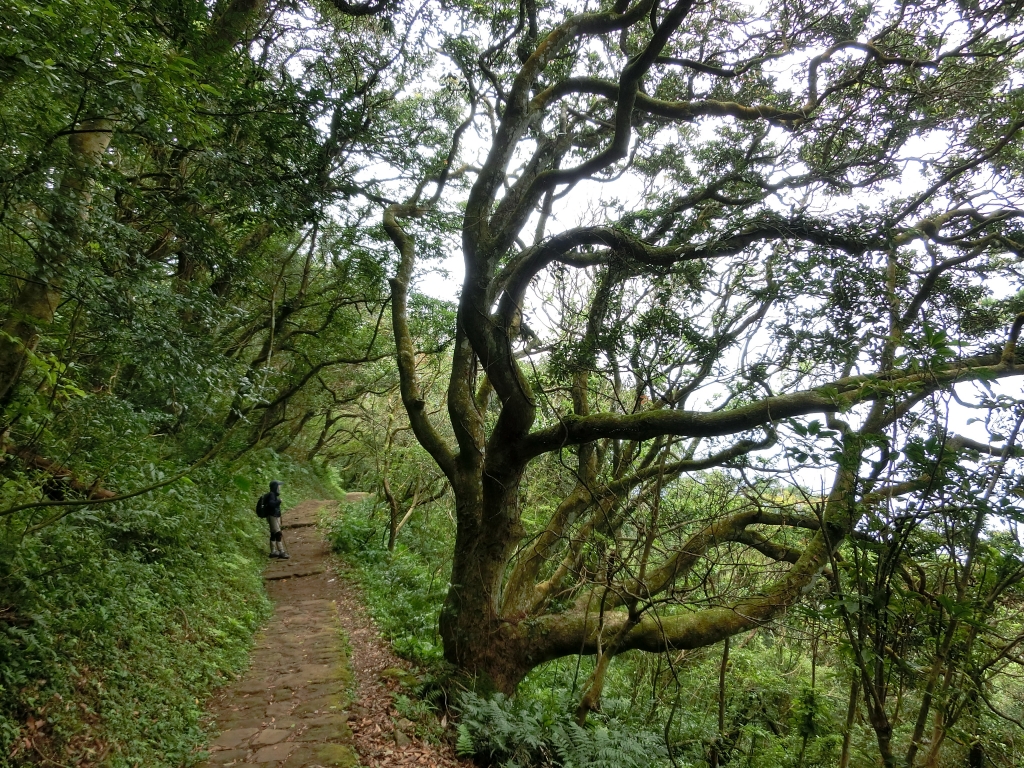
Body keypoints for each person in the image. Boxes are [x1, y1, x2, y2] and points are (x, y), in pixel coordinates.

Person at [265, 480, 289, 559]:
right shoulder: (272, 495)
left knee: (273, 533)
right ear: (275, 487)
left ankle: (273, 551)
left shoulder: (273, 495)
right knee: (278, 533)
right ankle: (281, 551)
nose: (280, 487)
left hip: (273, 516)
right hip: (273, 516)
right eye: (279, 486)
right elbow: (271, 504)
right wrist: (279, 501)